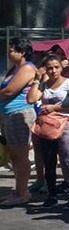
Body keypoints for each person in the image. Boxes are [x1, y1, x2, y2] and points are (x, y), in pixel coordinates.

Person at [25, 53, 69, 210]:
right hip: (47, 126)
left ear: (61, 67)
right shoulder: (44, 85)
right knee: (49, 161)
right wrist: (37, 79)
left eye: (56, 67)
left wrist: (57, 107)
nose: (53, 71)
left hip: (65, 124)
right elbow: (31, 99)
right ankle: (52, 195)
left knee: (68, 161)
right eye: (50, 68)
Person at [1, 39, 38, 206]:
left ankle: (21, 192)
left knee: (20, 155)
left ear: (21, 52)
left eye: (11, 51)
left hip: (19, 114)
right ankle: (19, 190)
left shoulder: (27, 68)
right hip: (8, 114)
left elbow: (9, 91)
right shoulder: (14, 69)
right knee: (14, 155)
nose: (9, 54)